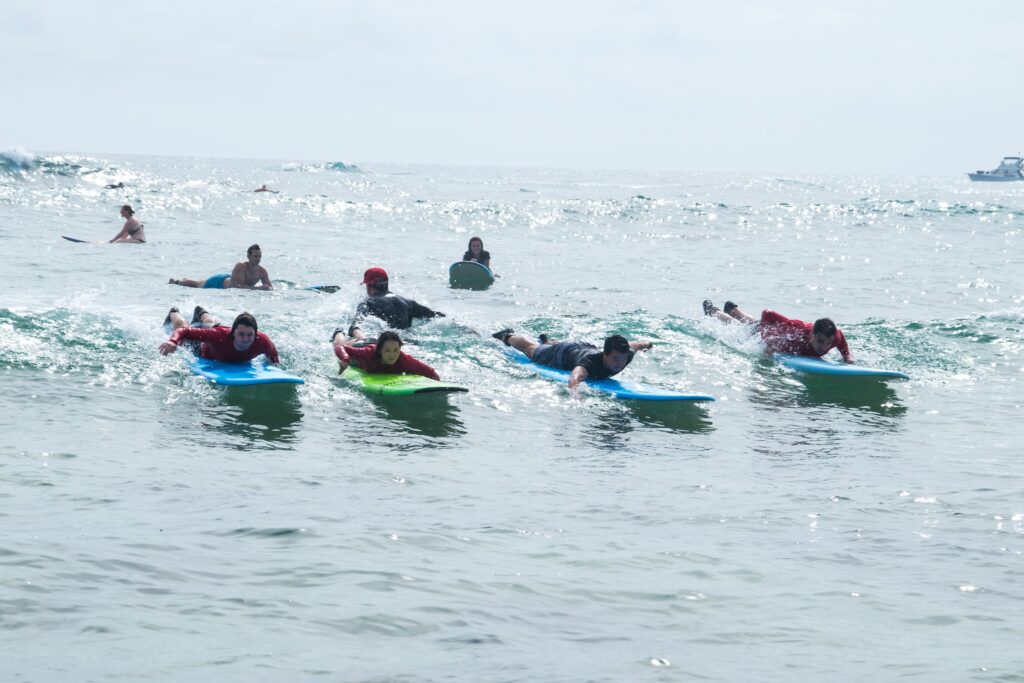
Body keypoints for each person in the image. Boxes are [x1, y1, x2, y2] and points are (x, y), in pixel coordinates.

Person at [492, 329, 653, 389]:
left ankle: (548, 342)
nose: (619, 363)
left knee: (546, 347)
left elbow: (636, 345)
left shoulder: (626, 355)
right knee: (532, 351)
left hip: (583, 346)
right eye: (615, 358)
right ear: (605, 355)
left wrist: (647, 344)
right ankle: (508, 336)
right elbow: (575, 376)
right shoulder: (590, 363)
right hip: (563, 354)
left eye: (623, 359)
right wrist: (575, 394)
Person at [703, 299, 853, 363]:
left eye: (828, 343)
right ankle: (713, 311)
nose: (824, 347)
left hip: (768, 327)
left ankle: (733, 309)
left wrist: (847, 355)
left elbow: (841, 336)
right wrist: (768, 341)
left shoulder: (833, 337)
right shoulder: (797, 332)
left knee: (752, 323)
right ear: (812, 335)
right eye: (820, 341)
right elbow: (767, 313)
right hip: (770, 330)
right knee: (739, 326)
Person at [339, 267, 445, 341]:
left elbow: (355, 327)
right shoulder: (408, 302)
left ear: (369, 287)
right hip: (409, 343)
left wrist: (364, 341)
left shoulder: (367, 303)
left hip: (385, 349)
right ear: (387, 283)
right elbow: (436, 316)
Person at [159, 311, 279, 363]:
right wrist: (173, 341)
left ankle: (200, 312)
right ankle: (173, 312)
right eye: (241, 334)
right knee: (184, 325)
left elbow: (274, 359)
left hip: (218, 329)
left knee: (211, 322)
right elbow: (183, 331)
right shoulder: (220, 336)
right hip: (202, 349)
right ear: (233, 333)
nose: (246, 339)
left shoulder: (262, 341)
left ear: (255, 334)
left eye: (250, 335)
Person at [332, 330, 440, 380]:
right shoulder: (367, 353)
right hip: (361, 345)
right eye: (387, 351)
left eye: (396, 350)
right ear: (380, 351)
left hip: (379, 342)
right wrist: (345, 359)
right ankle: (338, 332)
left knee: (364, 337)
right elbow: (340, 348)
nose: (392, 355)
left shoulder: (404, 359)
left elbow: (430, 372)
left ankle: (355, 330)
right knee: (339, 342)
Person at [168, 244, 273, 290]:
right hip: (219, 282)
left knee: (199, 282)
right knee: (198, 285)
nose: (258, 259)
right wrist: (258, 288)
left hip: (229, 278)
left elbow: (269, 287)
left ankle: (184, 280)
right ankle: (177, 282)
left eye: (259, 256)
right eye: (255, 256)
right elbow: (238, 286)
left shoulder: (262, 271)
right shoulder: (240, 266)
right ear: (248, 256)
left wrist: (267, 288)